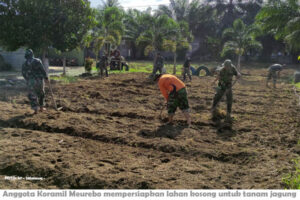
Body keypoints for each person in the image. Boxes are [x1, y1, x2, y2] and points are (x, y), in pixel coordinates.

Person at [22, 49, 48, 114]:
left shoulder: (24, 63)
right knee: (41, 94)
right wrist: (46, 77)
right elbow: (42, 70)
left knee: (32, 95)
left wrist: (27, 79)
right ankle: (41, 108)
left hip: (30, 81)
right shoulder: (37, 61)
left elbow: (23, 73)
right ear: (32, 54)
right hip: (39, 80)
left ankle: (35, 110)